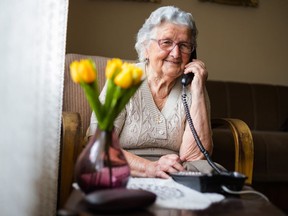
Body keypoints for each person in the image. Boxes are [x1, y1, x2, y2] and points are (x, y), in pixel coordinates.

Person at [87, 6, 221, 178]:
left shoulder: (194, 85)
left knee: (213, 176)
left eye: (184, 45)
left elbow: (195, 157)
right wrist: (150, 168)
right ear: (145, 47)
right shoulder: (123, 79)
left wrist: (198, 91)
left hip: (175, 172)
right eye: (166, 42)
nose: (176, 53)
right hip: (124, 168)